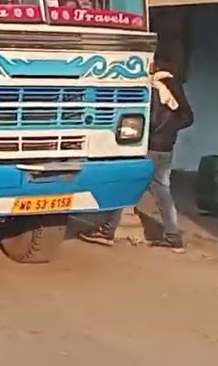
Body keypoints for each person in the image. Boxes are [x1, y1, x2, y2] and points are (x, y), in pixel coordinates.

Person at [79, 59, 194, 248]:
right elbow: (188, 118)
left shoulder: (152, 90)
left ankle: (107, 231)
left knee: (125, 186)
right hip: (166, 148)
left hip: (149, 148)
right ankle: (173, 237)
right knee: (163, 193)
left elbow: (148, 120)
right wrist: (171, 129)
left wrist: (151, 133)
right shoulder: (175, 88)